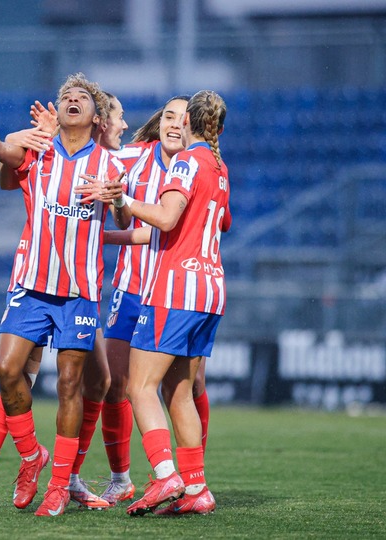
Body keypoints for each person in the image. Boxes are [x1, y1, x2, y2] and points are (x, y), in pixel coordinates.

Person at [0, 74, 129, 518]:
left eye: (82, 98)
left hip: (78, 294)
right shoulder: (38, 149)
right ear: (59, 111)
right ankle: (31, 455)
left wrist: (117, 199)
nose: (73, 100)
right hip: (31, 286)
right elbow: (0, 154)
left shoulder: (110, 165)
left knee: (71, 385)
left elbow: (121, 210)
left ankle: (58, 485)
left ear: (95, 115)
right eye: (66, 97)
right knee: (6, 369)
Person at [121, 90, 230, 516]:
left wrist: (123, 200)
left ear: (188, 124)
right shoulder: (220, 167)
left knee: (140, 386)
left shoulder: (186, 161)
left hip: (175, 287)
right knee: (178, 391)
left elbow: (167, 218)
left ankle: (165, 473)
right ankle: (197, 488)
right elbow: (221, 222)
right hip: (211, 289)